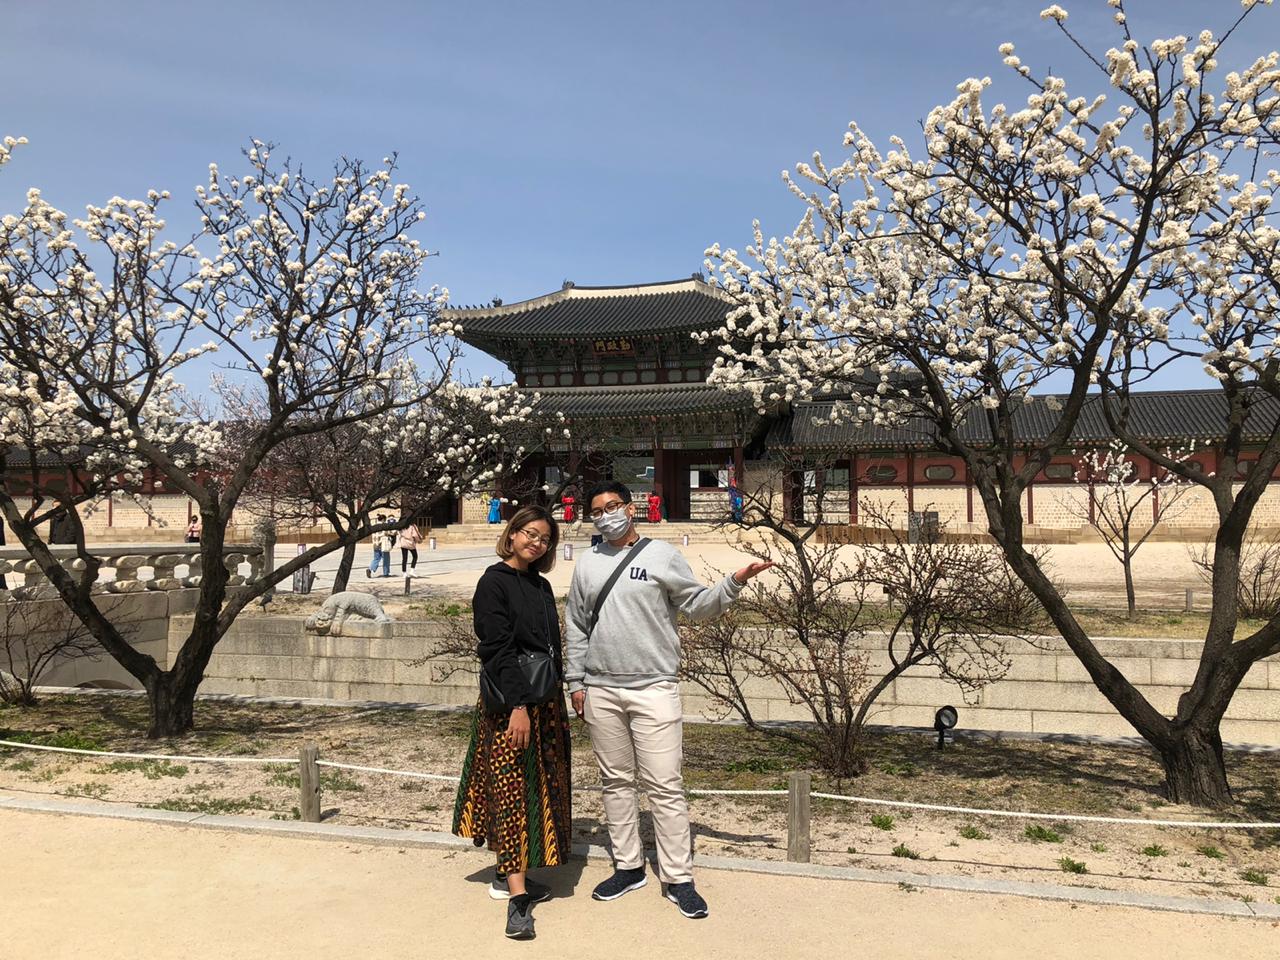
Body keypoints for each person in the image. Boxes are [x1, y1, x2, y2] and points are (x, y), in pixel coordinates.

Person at [565, 481, 772, 920]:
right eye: (597, 510)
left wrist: (733, 582)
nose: (606, 515)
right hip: (600, 687)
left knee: (664, 785)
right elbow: (577, 626)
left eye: (613, 506)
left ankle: (678, 876)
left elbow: (695, 606)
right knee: (615, 783)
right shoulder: (586, 563)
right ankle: (629, 866)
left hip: (654, 686)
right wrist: (576, 682)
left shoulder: (660, 556)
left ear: (631, 508)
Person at [453, 505, 572, 941]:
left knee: (539, 788)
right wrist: (518, 707)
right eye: (529, 533)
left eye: (544, 538)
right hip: (512, 705)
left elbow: (550, 649)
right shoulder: (493, 582)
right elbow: (496, 649)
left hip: (545, 702)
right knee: (511, 792)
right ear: (512, 533)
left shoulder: (539, 586)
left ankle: (512, 874)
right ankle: (517, 900)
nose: (536, 542)